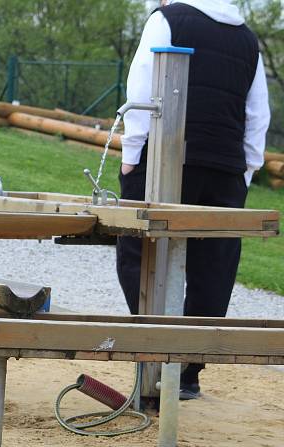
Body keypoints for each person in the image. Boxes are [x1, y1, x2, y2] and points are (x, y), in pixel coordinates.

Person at [117, 0, 270, 399]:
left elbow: (141, 91)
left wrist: (131, 157)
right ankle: (188, 370)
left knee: (139, 250)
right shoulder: (247, 38)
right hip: (226, 168)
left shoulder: (166, 20)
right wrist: (247, 170)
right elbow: (257, 115)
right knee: (214, 265)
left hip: (167, 159)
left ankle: (155, 356)